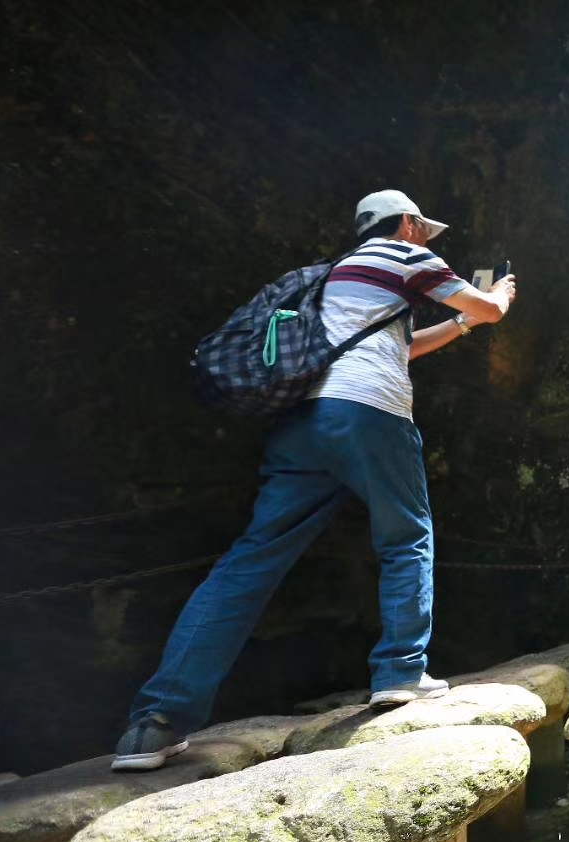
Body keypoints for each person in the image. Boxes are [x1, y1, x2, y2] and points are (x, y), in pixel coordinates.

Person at [113, 190, 518, 771]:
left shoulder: (332, 278)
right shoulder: (402, 255)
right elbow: (490, 310)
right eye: (422, 229)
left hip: (303, 424)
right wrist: (497, 294)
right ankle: (401, 673)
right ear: (406, 223)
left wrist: (457, 324)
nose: (425, 238)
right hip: (369, 415)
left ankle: (154, 725)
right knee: (407, 536)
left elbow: (403, 350)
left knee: (248, 562)